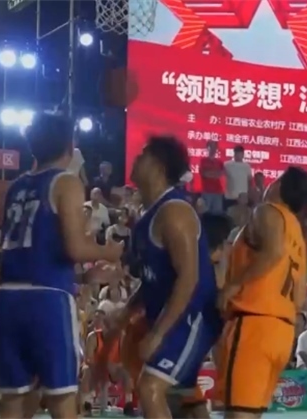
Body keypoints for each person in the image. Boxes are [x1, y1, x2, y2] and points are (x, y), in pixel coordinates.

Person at [0, 113, 123, 418]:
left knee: (14, 399)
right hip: (48, 298)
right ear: (70, 146)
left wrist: (83, 277)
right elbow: (76, 247)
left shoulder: (16, 186)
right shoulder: (65, 182)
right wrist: (110, 251)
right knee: (62, 397)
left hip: (9, 297)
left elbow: (32, 249)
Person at [125, 135, 223, 418]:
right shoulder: (147, 218)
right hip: (176, 318)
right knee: (186, 402)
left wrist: (158, 334)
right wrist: (124, 314)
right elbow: (152, 280)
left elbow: (189, 279)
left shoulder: (175, 212)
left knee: (150, 389)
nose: (135, 160)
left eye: (142, 155)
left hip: (194, 318)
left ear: (158, 166)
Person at [216, 166, 307, 418]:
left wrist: (233, 286)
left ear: (279, 185)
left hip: (254, 324)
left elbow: (273, 252)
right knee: (251, 412)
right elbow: (300, 297)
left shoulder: (267, 211)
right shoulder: (297, 231)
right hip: (282, 331)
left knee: (238, 414)